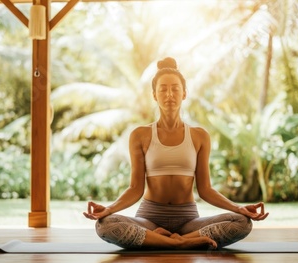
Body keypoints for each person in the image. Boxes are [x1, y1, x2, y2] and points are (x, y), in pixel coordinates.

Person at [83, 57, 268, 250]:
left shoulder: (199, 136)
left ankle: (163, 240)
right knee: (105, 225)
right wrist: (109, 209)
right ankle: (181, 242)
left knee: (242, 222)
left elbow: (205, 189)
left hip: (188, 221)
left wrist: (239, 208)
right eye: (163, 89)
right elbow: (135, 188)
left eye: (175, 89)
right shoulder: (140, 135)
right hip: (149, 219)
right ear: (154, 95)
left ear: (184, 94)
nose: (169, 94)